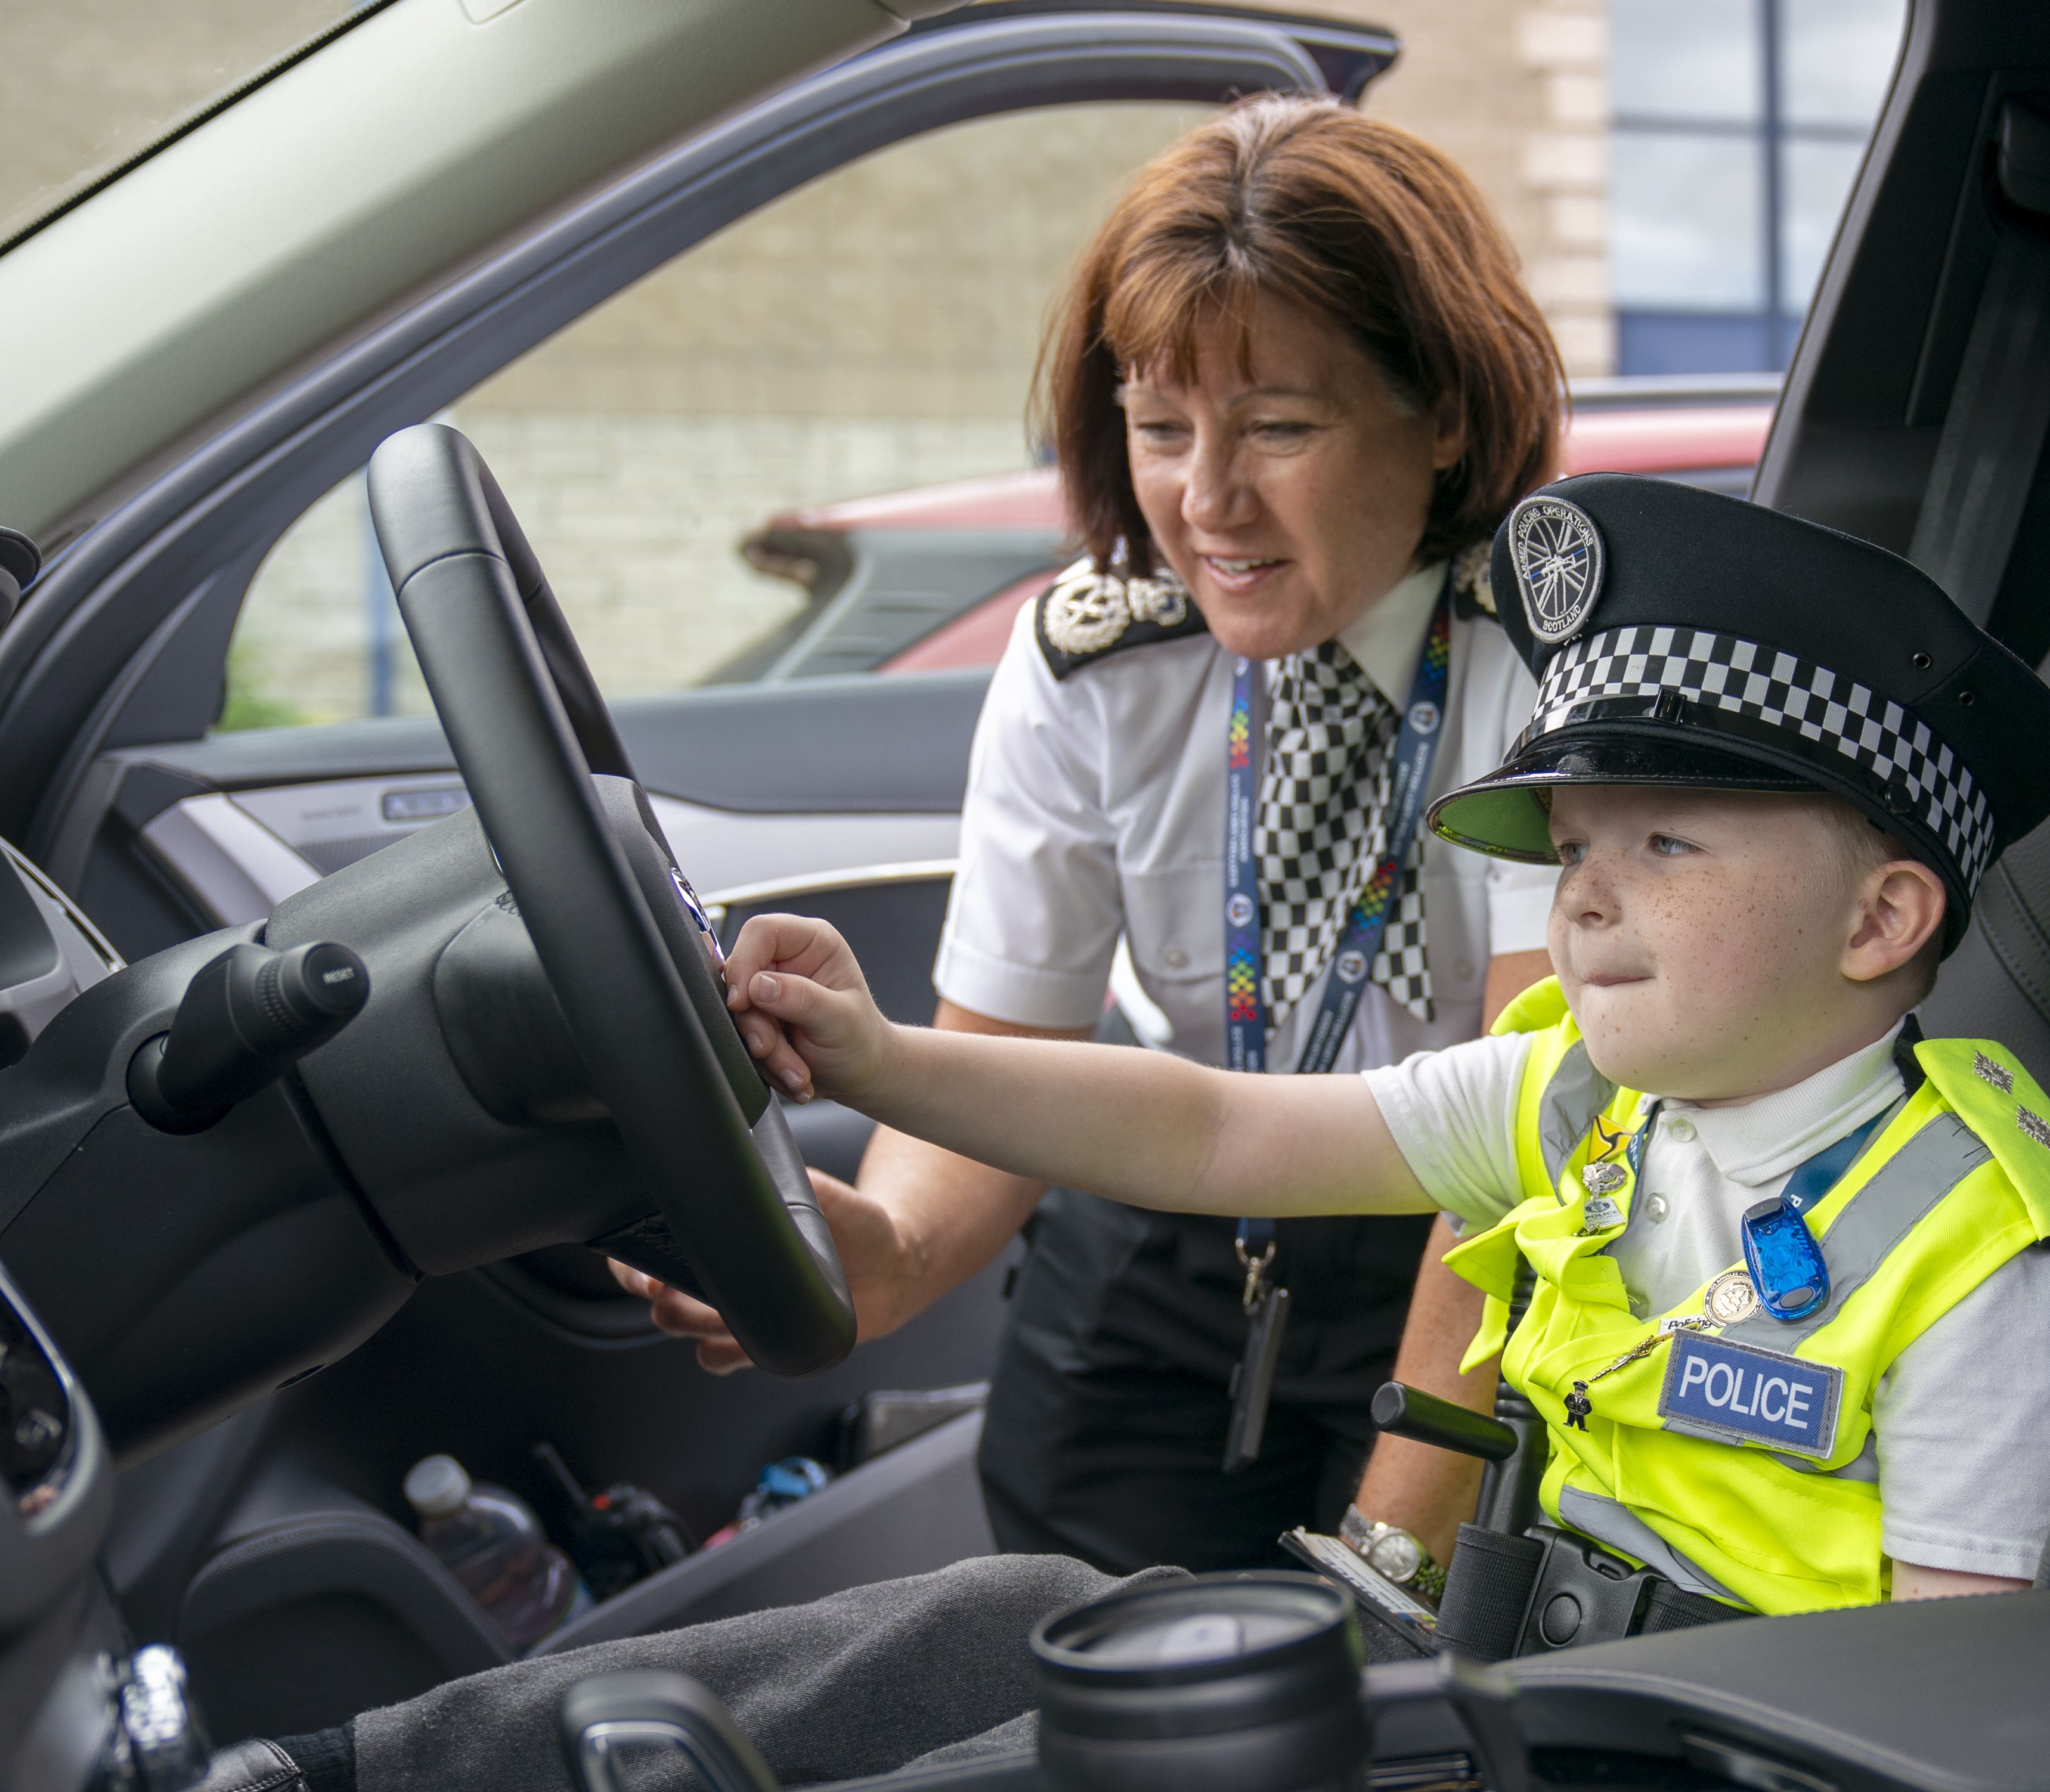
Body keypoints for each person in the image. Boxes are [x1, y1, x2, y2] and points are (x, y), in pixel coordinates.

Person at [173, 475, 2050, 1792]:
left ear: (1884, 911)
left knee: (1083, 1756)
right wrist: (877, 1050)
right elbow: (1211, 1123)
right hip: (1498, 1683)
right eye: (1570, 843)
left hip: (1683, 1790)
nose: (1583, 892)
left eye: (1668, 846)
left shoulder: (1994, 1255)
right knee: (1025, 1613)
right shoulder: (1586, 1092)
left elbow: (1944, 1716)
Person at [619, 94, 1564, 1587]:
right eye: (1160, 429)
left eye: (1280, 428)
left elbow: (1530, 1156)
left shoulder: (1545, 668)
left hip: (1457, 1258)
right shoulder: (1091, 663)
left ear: (1440, 413)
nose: (1207, 503)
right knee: (1072, 1672)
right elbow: (1004, 1032)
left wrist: (1397, 1546)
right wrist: (895, 1253)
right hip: (1153, 1237)